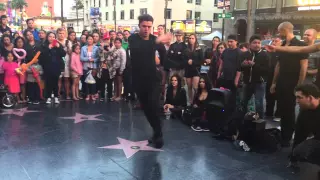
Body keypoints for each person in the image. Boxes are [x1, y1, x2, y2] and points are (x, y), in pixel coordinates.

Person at [128, 14, 170, 149]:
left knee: (153, 105)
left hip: (153, 80)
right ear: (139, 25)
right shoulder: (133, 39)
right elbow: (140, 50)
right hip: (139, 80)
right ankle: (156, 132)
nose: (146, 29)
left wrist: (164, 74)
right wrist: (157, 42)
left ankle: (158, 134)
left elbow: (164, 60)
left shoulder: (155, 40)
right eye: (144, 26)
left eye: (149, 27)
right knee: (146, 109)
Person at [267, 22, 309, 147]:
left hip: (293, 81)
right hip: (281, 81)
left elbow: (304, 67)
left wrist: (299, 86)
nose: (279, 33)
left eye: (280, 31)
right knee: (281, 108)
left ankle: (287, 137)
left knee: (289, 109)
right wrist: (274, 82)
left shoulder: (301, 45)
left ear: (285, 30)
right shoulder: (283, 45)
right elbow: (278, 65)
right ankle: (284, 134)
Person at [288, 84, 320, 171]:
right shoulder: (304, 111)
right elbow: (299, 135)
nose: (297, 101)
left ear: (309, 98)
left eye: (299, 97)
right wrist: (293, 159)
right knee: (299, 151)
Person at [241, 35, 269, 118]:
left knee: (259, 103)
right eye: (254, 43)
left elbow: (267, 70)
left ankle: (260, 122)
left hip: (259, 83)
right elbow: (239, 67)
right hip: (247, 82)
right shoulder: (245, 54)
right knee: (243, 102)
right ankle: (242, 120)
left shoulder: (265, 55)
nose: (257, 45)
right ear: (250, 44)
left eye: (259, 43)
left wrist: (254, 65)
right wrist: (243, 65)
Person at [39, 32, 66, 104]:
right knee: (48, 83)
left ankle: (56, 96)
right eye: (50, 36)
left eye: (53, 37)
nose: (52, 38)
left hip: (56, 67)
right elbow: (41, 56)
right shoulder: (44, 45)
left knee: (55, 83)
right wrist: (48, 48)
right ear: (47, 37)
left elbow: (63, 54)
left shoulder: (58, 44)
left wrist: (59, 47)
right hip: (47, 67)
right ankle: (48, 97)